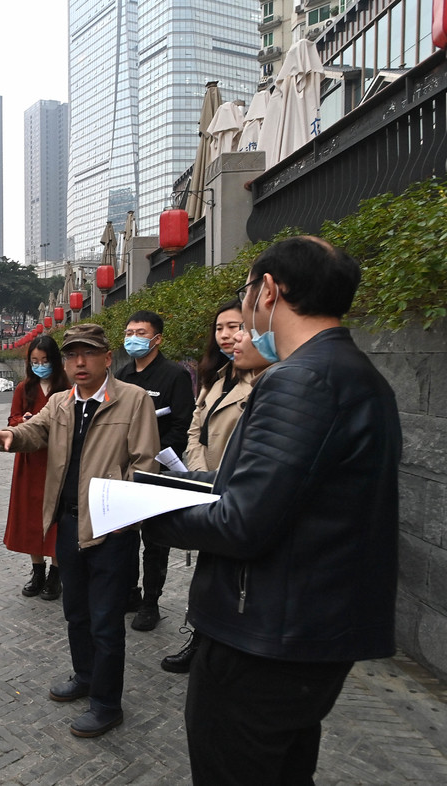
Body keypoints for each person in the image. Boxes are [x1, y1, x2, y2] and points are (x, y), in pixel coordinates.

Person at [143, 236, 401, 784]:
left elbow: (243, 522)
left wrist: (143, 514)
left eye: (246, 293)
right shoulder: (354, 372)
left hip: (265, 634)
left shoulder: (301, 379)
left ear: (267, 291)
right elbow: (272, 489)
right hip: (302, 627)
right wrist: (179, 484)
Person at [0, 323, 158, 738]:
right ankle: (85, 676)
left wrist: (123, 515)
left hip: (110, 526)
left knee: (106, 620)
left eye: (88, 353)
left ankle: (107, 704)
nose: (79, 362)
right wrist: (9, 436)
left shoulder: (133, 400)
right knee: (76, 611)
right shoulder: (60, 402)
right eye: (72, 354)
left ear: (107, 358)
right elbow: (34, 430)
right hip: (69, 522)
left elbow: (145, 462)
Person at [160, 300, 268, 673]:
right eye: (219, 328)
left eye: (235, 327)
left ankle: (221, 644)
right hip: (206, 481)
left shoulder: (265, 380)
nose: (226, 335)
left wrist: (218, 479)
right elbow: (196, 428)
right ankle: (201, 639)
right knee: (208, 572)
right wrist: (198, 471)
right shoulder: (217, 376)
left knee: (233, 575)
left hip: (238, 488)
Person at [114, 310, 195, 632]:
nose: (133, 338)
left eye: (141, 333)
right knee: (125, 536)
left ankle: (151, 602)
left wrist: (156, 459)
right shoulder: (122, 375)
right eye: (129, 332)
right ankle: (130, 593)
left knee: (155, 540)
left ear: (157, 339)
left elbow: (182, 425)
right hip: (127, 470)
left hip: (159, 470)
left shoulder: (174, 375)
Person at [5, 336, 70, 600]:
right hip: (30, 460)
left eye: (44, 360)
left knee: (57, 516)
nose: (40, 365)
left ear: (55, 360)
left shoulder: (67, 387)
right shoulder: (25, 388)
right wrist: (24, 420)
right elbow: (13, 418)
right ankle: (37, 570)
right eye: (35, 361)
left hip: (58, 459)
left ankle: (56, 574)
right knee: (30, 515)